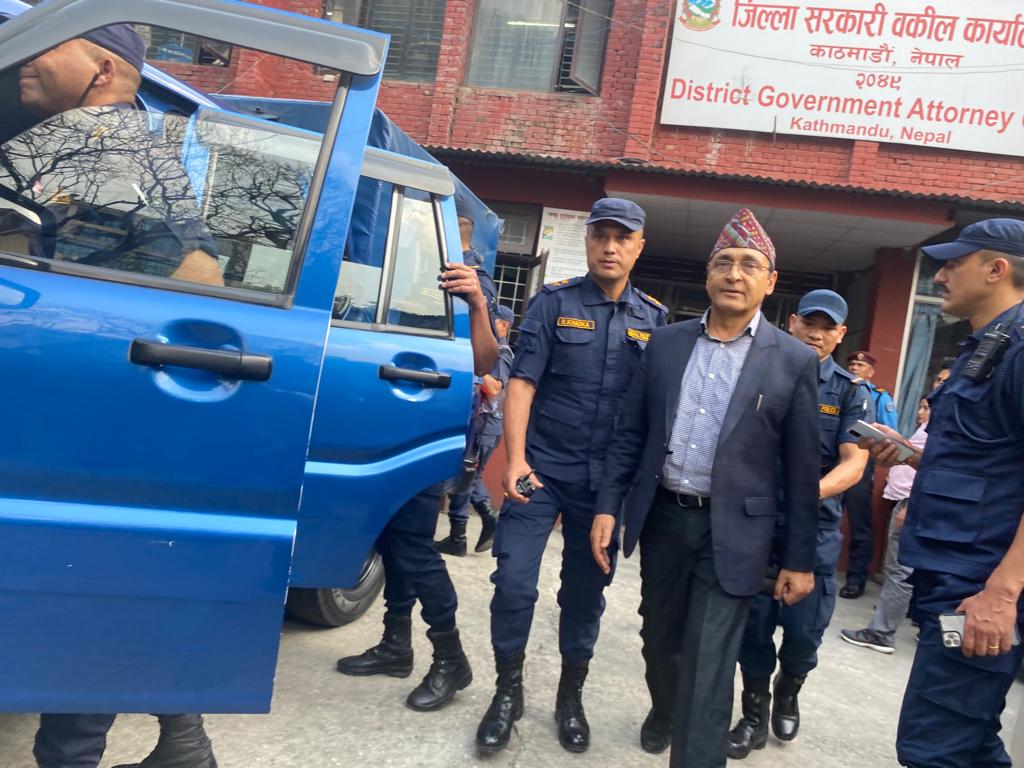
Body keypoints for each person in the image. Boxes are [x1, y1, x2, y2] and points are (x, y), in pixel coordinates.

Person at [7, 23, 225, 768]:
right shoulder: (120, 145)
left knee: (83, 586)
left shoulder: (101, 148)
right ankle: (184, 740)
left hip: (93, 411)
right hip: (103, 406)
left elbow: (196, 278)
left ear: (101, 68)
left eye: (46, 41)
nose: (27, 56)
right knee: (112, 578)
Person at [590, 208, 819, 768]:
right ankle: (665, 709)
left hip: (735, 534)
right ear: (708, 274)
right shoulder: (666, 344)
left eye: (749, 265)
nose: (734, 274)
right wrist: (608, 507)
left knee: (709, 661)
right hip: (665, 520)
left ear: (770, 281)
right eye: (724, 263)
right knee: (659, 642)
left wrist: (799, 559)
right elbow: (630, 433)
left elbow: (801, 471)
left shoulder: (793, 360)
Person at [475, 198, 668, 755]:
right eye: (600, 236)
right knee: (513, 583)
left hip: (604, 488)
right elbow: (521, 384)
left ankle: (570, 696)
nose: (609, 247)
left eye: (622, 238)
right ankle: (507, 693)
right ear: (587, 241)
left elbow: (654, 410)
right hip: (540, 470)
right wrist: (514, 460)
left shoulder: (654, 320)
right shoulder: (553, 302)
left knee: (585, 595)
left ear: (638, 247)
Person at [859, 218, 1024, 768]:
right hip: (952, 583)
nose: (941, 275)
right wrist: (909, 453)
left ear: (996, 269)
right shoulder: (987, 347)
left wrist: (1002, 594)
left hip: (977, 592)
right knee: (967, 739)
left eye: (955, 263)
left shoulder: (1019, 347)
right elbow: (984, 459)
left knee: (935, 747)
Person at [336, 257, 497, 709]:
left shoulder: (469, 281)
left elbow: (484, 361)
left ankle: (451, 657)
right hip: (381, 425)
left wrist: (477, 303)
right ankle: (396, 645)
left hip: (425, 429)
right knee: (391, 541)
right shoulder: (396, 272)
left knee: (414, 548)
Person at [726, 289, 870, 759]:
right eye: (809, 323)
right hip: (758, 527)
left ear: (840, 335)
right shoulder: (759, 373)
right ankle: (753, 714)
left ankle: (789, 687)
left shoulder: (850, 391)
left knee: (804, 633)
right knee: (753, 630)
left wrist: (806, 496)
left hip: (815, 533)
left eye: (828, 328)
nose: (816, 334)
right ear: (791, 323)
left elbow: (854, 463)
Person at [840, 372, 947, 654]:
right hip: (908, 499)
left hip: (917, 502)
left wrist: (912, 504)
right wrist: (901, 446)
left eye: (945, 381)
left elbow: (943, 473)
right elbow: (929, 463)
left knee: (900, 569)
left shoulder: (958, 423)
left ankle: (882, 632)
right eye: (938, 380)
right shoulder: (935, 423)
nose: (939, 386)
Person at [436, 304, 515, 556]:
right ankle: (462, 534)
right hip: (479, 422)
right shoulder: (487, 348)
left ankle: (476, 526)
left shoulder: (501, 352)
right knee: (467, 476)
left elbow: (494, 388)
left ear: (503, 325)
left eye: (494, 321)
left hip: (486, 424)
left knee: (467, 476)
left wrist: (470, 372)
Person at [841, 349, 899, 599]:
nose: (855, 368)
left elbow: (890, 435)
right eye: (852, 364)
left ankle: (856, 579)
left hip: (861, 465)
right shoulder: (839, 388)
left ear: (871, 372)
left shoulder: (880, 397)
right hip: (832, 462)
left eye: (860, 365)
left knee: (860, 524)